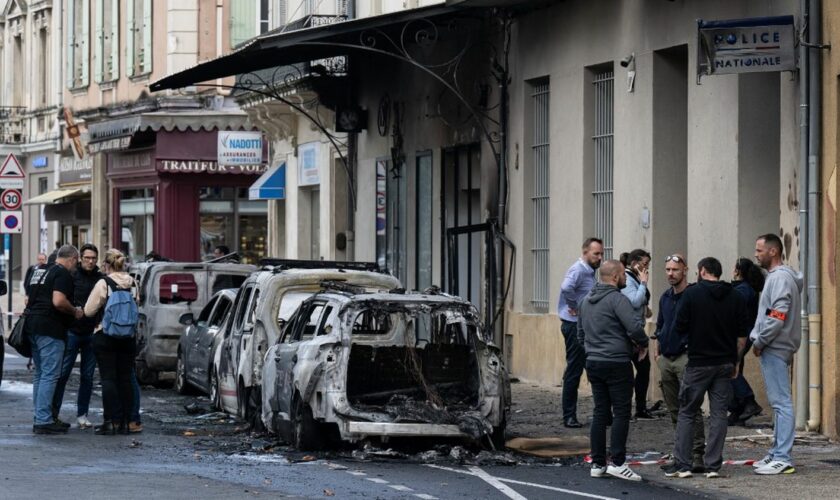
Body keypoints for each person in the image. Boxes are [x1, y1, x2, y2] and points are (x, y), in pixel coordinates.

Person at [663, 257, 747, 479]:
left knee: (687, 411)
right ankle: (712, 465)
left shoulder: (692, 294)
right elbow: (741, 335)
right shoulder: (735, 296)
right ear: (719, 272)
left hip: (699, 362)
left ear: (701, 271)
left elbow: (679, 326)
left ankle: (682, 463)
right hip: (725, 363)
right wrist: (736, 361)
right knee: (719, 414)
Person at [577, 259, 648, 482]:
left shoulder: (585, 301)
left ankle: (598, 463)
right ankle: (618, 462)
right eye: (624, 276)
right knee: (621, 412)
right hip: (617, 362)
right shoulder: (618, 300)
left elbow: (580, 334)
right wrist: (643, 343)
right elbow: (635, 327)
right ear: (615, 277)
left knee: (600, 412)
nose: (626, 280)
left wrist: (592, 350)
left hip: (594, 362)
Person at [750, 233, 802, 475]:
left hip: (775, 346)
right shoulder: (780, 277)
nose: (756, 254)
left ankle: (782, 456)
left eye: (759, 250)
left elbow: (778, 314)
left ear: (773, 251)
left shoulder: (779, 278)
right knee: (779, 403)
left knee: (781, 403)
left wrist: (761, 340)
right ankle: (776, 453)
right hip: (778, 345)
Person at [654, 253, 706, 472]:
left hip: (687, 358)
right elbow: (660, 325)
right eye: (667, 269)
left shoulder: (694, 295)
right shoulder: (665, 297)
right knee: (674, 409)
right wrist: (657, 353)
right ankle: (680, 454)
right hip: (667, 358)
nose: (670, 273)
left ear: (685, 270)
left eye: (675, 269)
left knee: (691, 408)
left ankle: (696, 455)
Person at [26, 245, 83, 434]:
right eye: (77, 261)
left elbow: (29, 299)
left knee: (41, 374)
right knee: (50, 374)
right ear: (73, 258)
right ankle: (43, 420)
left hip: (33, 325)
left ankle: (40, 416)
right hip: (50, 327)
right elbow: (58, 301)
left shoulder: (40, 271)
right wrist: (74, 311)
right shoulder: (62, 274)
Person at [84, 248, 140, 435]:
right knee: (125, 378)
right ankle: (126, 421)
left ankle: (112, 421)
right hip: (128, 337)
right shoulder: (132, 282)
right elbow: (137, 305)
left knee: (108, 379)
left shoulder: (104, 282)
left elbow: (89, 310)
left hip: (106, 335)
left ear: (106, 265)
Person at [52, 244, 103, 429]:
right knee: (63, 374)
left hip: (91, 332)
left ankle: (82, 415)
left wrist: (100, 323)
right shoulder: (71, 275)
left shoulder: (100, 278)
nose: (90, 261)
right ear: (80, 258)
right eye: (87, 258)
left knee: (87, 377)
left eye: (93, 258)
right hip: (72, 331)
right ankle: (53, 412)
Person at [557, 237, 604, 428]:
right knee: (574, 370)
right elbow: (566, 288)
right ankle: (569, 416)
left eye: (601, 253)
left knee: (594, 368)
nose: (600, 257)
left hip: (585, 326)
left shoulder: (589, 271)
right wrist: (573, 306)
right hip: (574, 325)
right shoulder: (578, 269)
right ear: (585, 253)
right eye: (596, 253)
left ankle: (601, 414)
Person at [729, 257, 765, 425]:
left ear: (737, 271)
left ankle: (748, 401)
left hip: (740, 334)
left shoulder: (743, 290)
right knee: (735, 368)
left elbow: (735, 311)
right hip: (745, 333)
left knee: (730, 368)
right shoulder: (747, 289)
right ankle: (738, 410)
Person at [619, 249, 654, 420]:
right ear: (634, 264)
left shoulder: (633, 278)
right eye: (645, 264)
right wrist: (644, 283)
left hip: (636, 330)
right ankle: (629, 408)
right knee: (631, 372)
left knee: (643, 370)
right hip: (629, 334)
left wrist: (645, 310)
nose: (647, 268)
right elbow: (633, 301)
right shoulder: (627, 279)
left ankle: (640, 407)